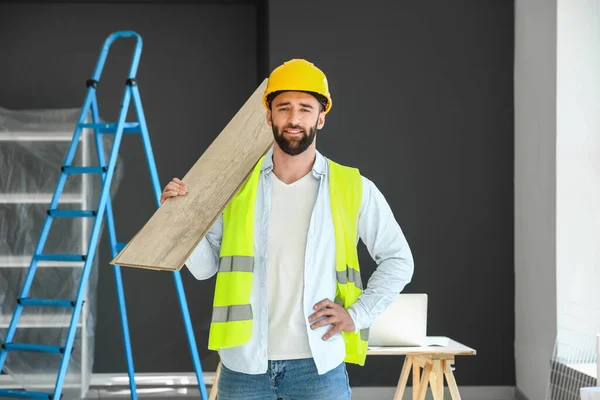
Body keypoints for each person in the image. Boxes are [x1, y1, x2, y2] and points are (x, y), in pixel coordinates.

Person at [160, 59, 414, 400]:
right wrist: (181, 219)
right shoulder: (236, 189)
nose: (294, 119)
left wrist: (358, 315)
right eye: (284, 108)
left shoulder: (353, 188)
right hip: (244, 367)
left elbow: (399, 259)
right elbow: (206, 269)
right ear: (269, 116)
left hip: (318, 367)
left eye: (305, 109)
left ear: (320, 117)